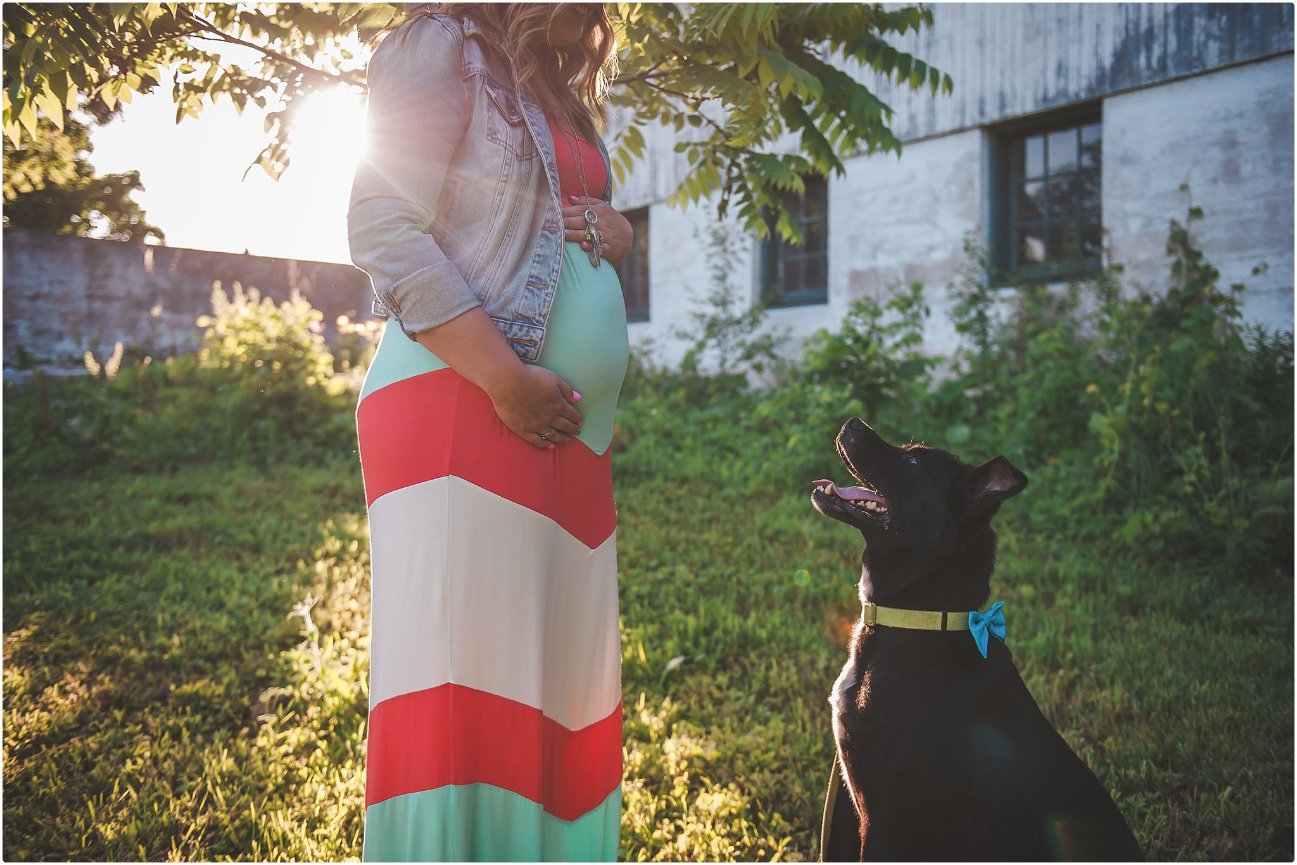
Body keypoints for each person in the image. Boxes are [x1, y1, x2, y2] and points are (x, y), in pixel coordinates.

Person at [347, 4, 630, 860]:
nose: (593, 19)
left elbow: (546, 228)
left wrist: (617, 230)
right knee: (466, 698)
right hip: (466, 401)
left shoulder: (544, 78)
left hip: (563, 430)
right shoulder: (439, 43)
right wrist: (504, 379)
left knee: (551, 690)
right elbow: (382, 228)